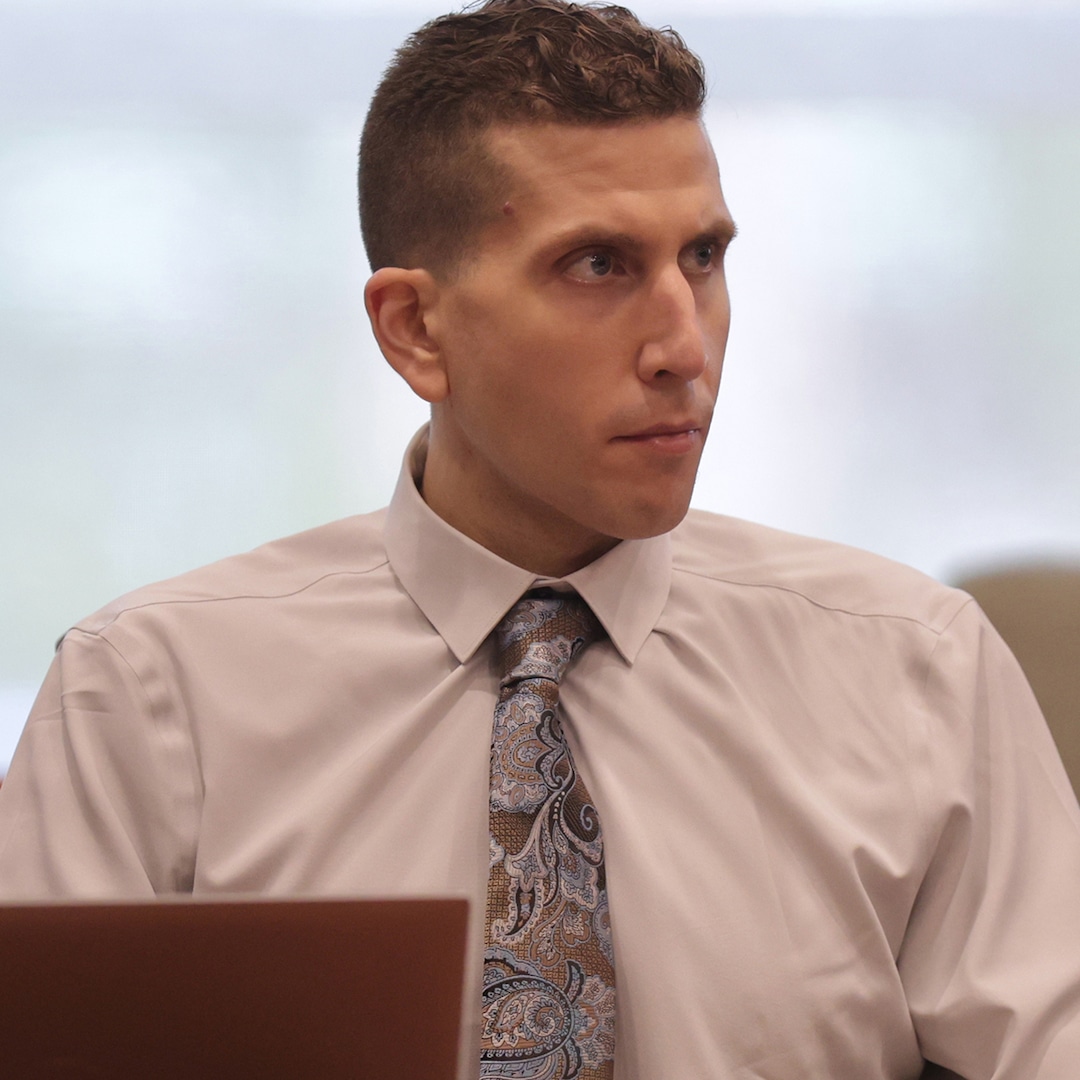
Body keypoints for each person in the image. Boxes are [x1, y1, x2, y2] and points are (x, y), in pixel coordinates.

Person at [1, 1, 1078, 1077]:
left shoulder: (916, 669)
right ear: (415, 330)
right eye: (599, 265)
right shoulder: (153, 699)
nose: (684, 346)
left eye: (702, 256)